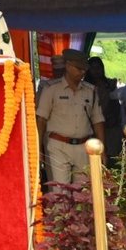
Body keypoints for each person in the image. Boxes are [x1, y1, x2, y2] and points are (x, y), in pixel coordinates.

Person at [36, 49, 104, 185]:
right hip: (58, 146)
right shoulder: (51, 89)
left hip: (84, 147)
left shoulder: (90, 91)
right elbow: (41, 120)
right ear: (67, 66)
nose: (82, 72)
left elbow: (98, 121)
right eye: (78, 68)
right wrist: (38, 149)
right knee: (60, 190)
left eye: (84, 69)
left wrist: (102, 150)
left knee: (83, 192)